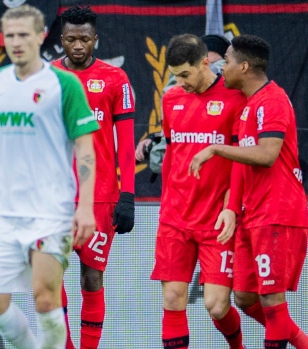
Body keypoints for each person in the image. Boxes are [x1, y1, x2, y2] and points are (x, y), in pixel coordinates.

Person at [0, 5, 98, 349]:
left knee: (45, 299)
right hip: (3, 214)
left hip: (51, 211)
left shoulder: (64, 84)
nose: (16, 42)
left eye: (23, 35)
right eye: (10, 36)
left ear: (41, 35)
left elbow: (85, 150)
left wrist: (86, 206)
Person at [190, 34, 308, 349]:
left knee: (271, 297)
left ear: (243, 66)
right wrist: (232, 207)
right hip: (251, 215)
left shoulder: (272, 101)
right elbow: (244, 162)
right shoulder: (248, 105)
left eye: (226, 62)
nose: (221, 69)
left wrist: (216, 149)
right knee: (244, 297)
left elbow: (267, 155)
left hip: (278, 212)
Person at [149, 34, 249, 349]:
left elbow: (241, 162)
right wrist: (167, 203)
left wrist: (231, 206)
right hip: (175, 216)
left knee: (216, 305)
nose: (180, 82)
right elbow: (172, 154)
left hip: (215, 219)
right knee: (173, 297)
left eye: (185, 75)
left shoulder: (234, 98)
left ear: (205, 62)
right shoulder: (171, 99)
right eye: (175, 75)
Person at [50, 6, 135, 349]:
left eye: (85, 38)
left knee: (91, 277)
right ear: (62, 40)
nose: (79, 45)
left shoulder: (116, 80)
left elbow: (126, 143)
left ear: (95, 39)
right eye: (71, 38)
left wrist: (127, 196)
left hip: (98, 196)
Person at [135, 34, 231, 164]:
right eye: (177, 76)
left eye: (218, 65)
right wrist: (157, 139)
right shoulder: (173, 97)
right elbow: (173, 142)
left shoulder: (236, 96)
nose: (180, 83)